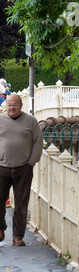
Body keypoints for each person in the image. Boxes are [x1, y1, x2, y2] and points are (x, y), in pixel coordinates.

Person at [0, 94, 43, 246]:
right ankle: (0, 227)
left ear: (21, 105)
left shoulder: (30, 121)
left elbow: (38, 142)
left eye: (15, 105)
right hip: (2, 168)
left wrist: (31, 163)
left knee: (21, 204)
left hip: (23, 168)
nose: (11, 108)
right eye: (9, 105)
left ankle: (18, 236)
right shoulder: (1, 120)